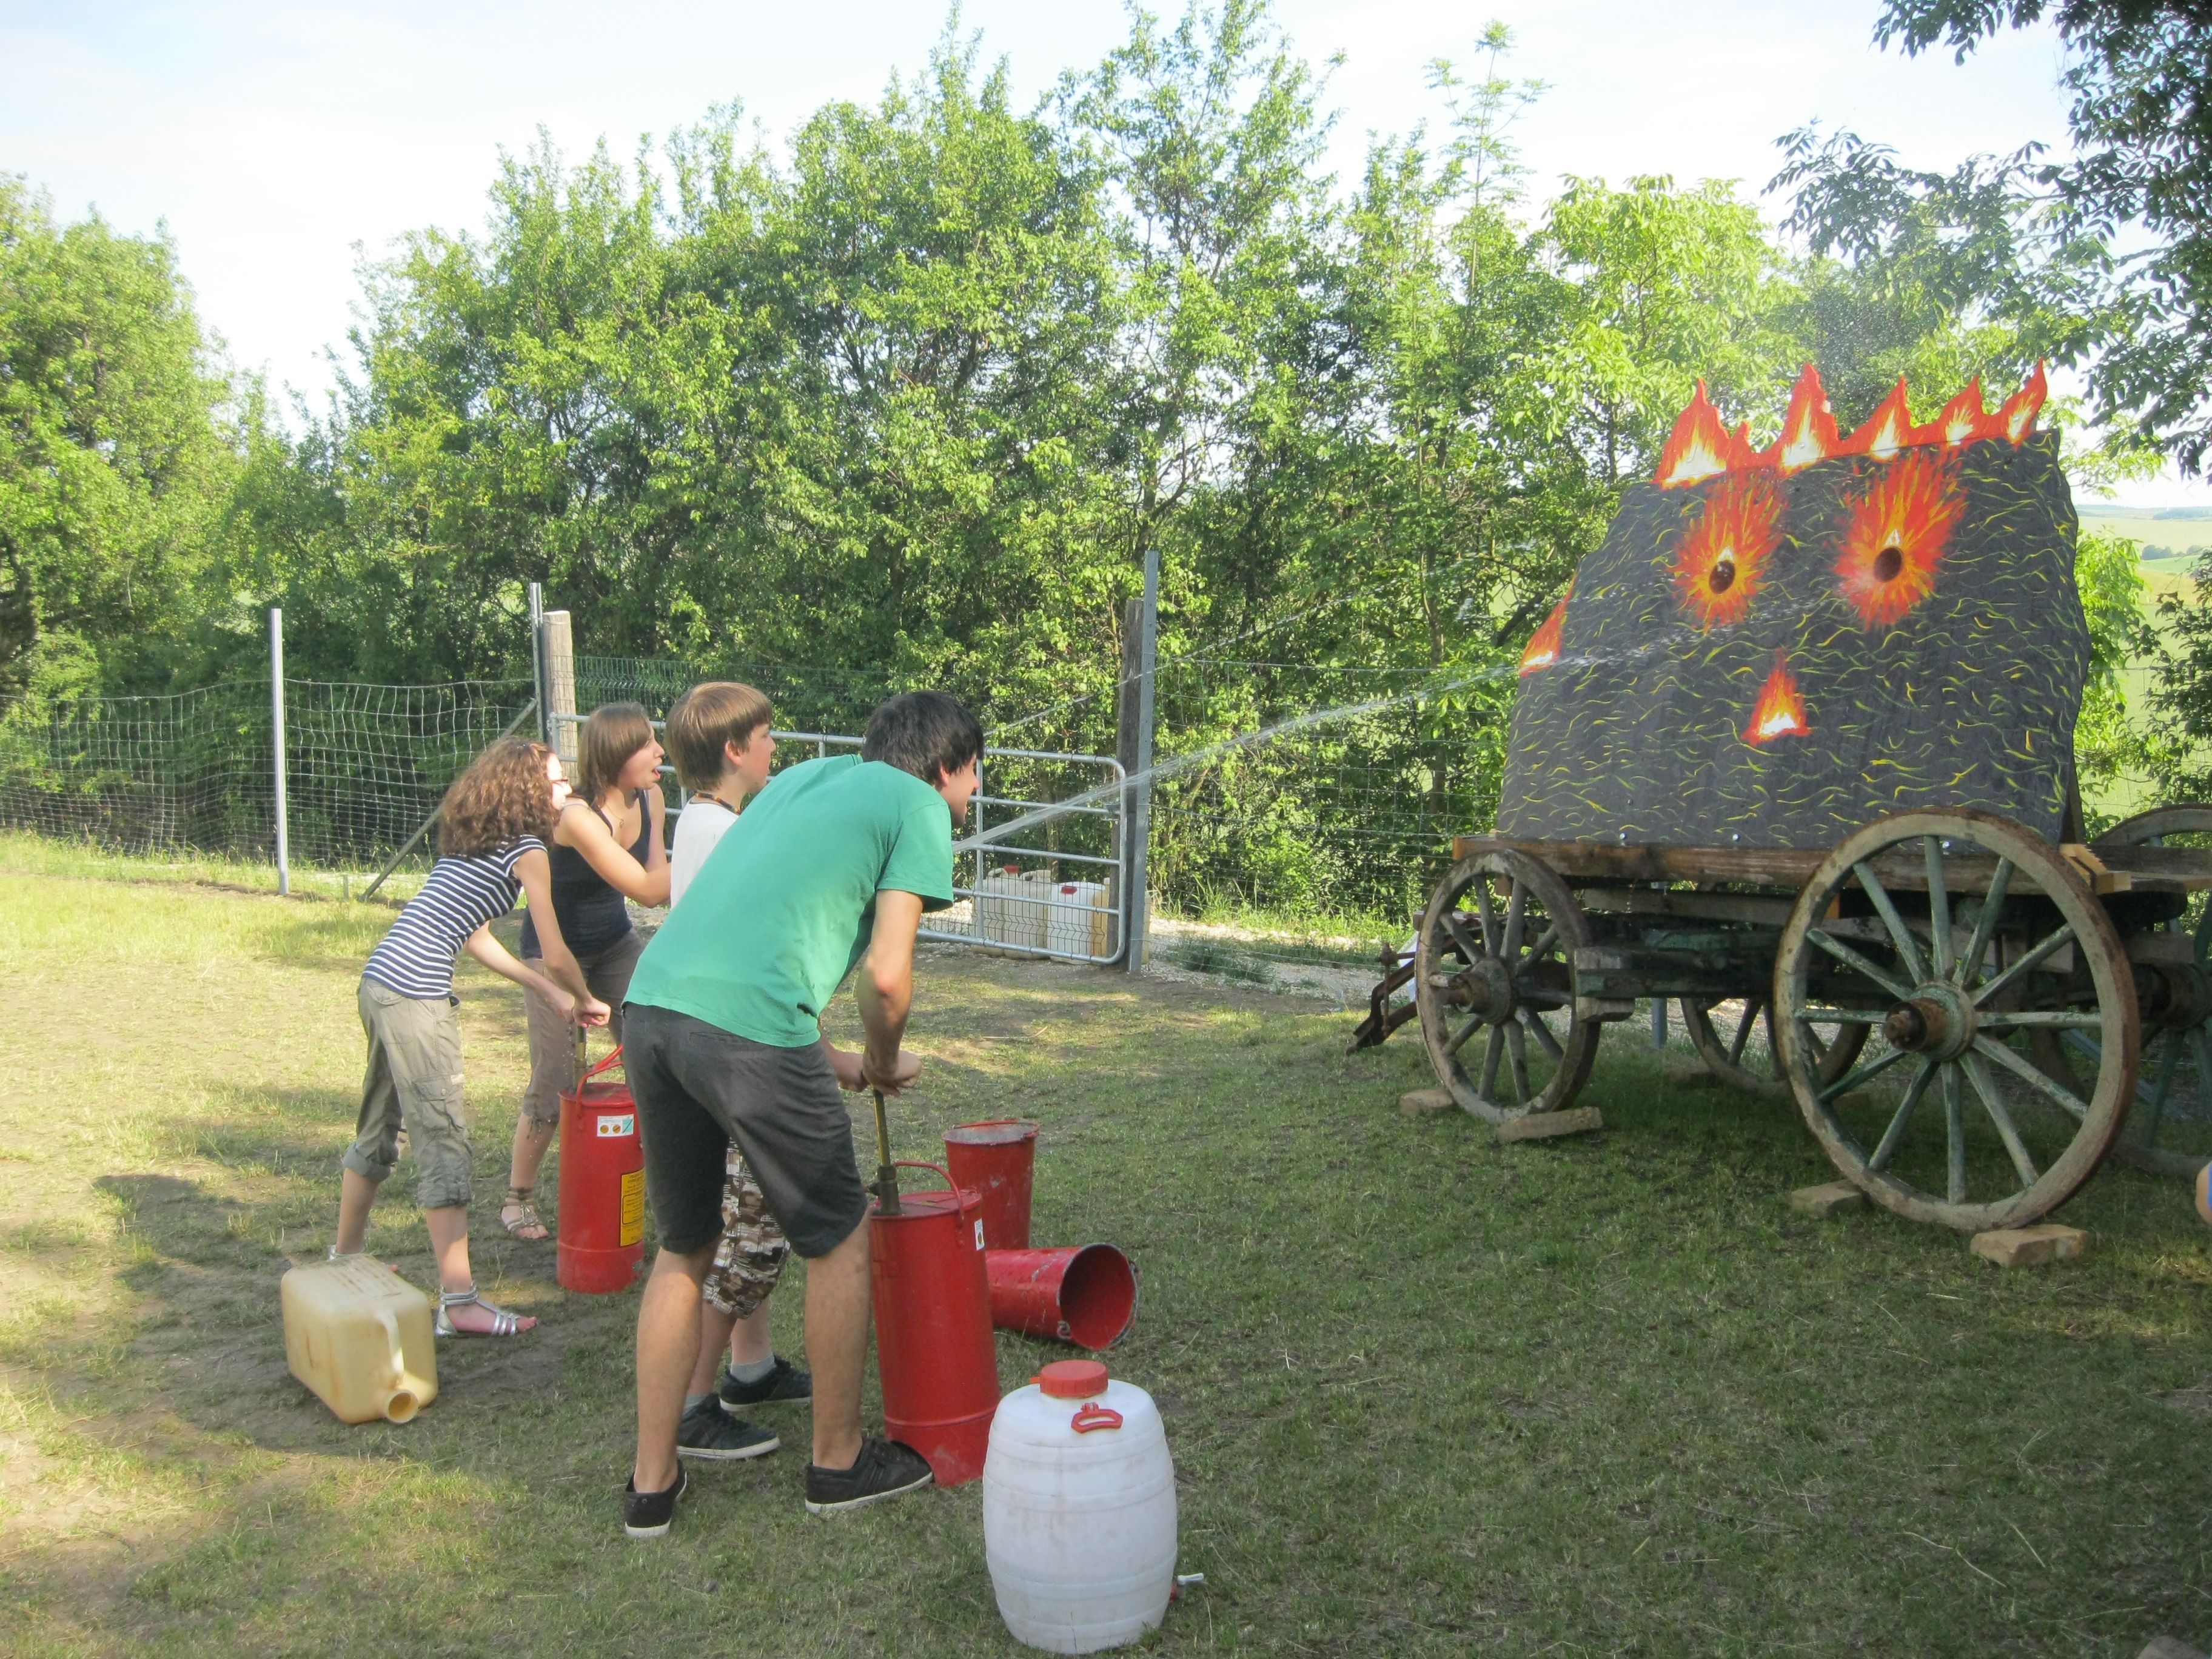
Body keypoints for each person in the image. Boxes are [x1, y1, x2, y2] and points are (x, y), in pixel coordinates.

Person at [618, 689, 980, 1535]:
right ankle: (839, 1461)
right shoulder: (919, 808)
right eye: (971, 781)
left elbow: (751, 945)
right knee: (837, 1235)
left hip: (653, 1010)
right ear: (943, 769)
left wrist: (844, 1064)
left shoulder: (805, 779)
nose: (967, 800)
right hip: (745, 1033)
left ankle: (651, 1484)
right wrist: (887, 1061)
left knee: (686, 1245)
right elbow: (885, 979)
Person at [333, 736, 610, 1336]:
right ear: (528, 790)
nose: (567, 790)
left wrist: (549, 993)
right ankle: (459, 1303)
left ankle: (345, 1259)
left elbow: (475, 936)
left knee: (382, 1127)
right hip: (414, 997)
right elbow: (557, 951)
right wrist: (585, 996)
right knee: (445, 1141)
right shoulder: (530, 851)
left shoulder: (476, 841)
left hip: (380, 982)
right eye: (557, 782)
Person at [659, 680, 814, 1461]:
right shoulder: (726, 835)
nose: (774, 748)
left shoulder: (703, 822)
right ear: (733, 750)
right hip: (734, 1049)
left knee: (744, 1211)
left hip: (704, 1044)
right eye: (766, 736)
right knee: (755, 1226)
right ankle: (693, 1402)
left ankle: (749, 1369)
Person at [500, 703, 670, 1241]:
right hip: (554, 955)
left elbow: (654, 873)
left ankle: (658, 1183)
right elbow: (648, 887)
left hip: (615, 944)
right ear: (619, 751)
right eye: (648, 743)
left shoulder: (653, 796)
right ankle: (517, 1199)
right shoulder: (576, 816)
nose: (660, 752)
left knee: (655, 1050)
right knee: (556, 1080)